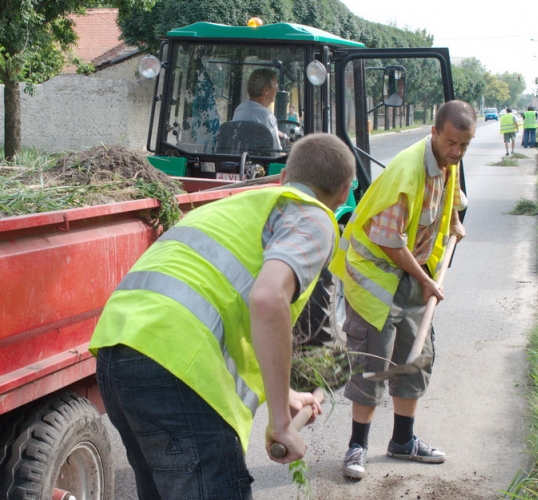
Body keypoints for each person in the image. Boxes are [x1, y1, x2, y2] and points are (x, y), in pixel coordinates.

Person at [90, 133, 356, 500]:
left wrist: (285, 395)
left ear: (282, 178)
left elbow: (226, 307)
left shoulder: (238, 207)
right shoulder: (313, 216)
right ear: (344, 193)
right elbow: (267, 299)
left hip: (117, 353)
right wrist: (280, 422)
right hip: (173, 365)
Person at [330, 100, 474, 479]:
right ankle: (356, 446)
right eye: (451, 143)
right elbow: (389, 241)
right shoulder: (407, 172)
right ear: (434, 133)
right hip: (375, 276)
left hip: (412, 272)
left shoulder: (449, 162)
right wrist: (427, 280)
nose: (457, 152)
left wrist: (455, 221)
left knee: (416, 354)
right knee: (373, 363)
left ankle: (402, 442)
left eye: (464, 145)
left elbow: (448, 199)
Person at [232, 68, 287, 151]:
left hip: (240, 161)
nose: (277, 90)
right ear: (266, 90)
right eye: (275, 86)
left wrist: (283, 136)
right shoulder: (267, 116)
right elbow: (276, 153)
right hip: (260, 163)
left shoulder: (239, 110)